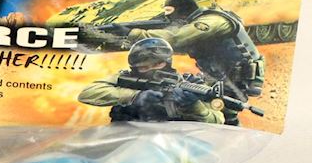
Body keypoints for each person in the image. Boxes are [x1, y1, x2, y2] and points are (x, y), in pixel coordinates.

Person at [125, 0, 264, 124]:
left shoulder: (214, 20)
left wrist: (133, 33)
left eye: (169, 11)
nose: (167, 17)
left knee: (223, 113)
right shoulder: (195, 23)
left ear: (183, 10)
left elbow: (177, 38)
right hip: (216, 75)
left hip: (237, 76)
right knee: (201, 108)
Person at [78, 37, 224, 124]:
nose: (153, 70)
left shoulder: (191, 83)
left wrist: (193, 106)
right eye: (144, 67)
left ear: (167, 62)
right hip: (129, 144)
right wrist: (136, 96)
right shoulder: (127, 77)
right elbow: (88, 93)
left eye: (158, 64)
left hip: (176, 147)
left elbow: (217, 121)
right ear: (135, 68)